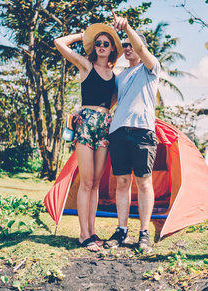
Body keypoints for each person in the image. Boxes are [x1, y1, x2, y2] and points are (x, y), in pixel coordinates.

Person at [54, 24, 123, 252]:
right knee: (85, 182)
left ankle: (92, 231)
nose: (101, 46)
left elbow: (112, 100)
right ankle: (83, 235)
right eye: (98, 43)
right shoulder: (86, 65)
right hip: (85, 127)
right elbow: (59, 43)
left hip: (104, 126)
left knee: (95, 184)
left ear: (112, 48)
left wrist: (101, 114)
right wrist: (83, 36)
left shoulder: (115, 76)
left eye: (106, 43)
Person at [104, 12, 161, 253]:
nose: (127, 47)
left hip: (142, 132)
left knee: (144, 182)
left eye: (131, 44)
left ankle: (144, 233)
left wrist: (127, 28)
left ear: (141, 47)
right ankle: (122, 230)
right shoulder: (120, 76)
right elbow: (109, 102)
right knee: (122, 182)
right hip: (118, 132)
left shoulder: (151, 67)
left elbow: (138, 43)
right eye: (124, 45)